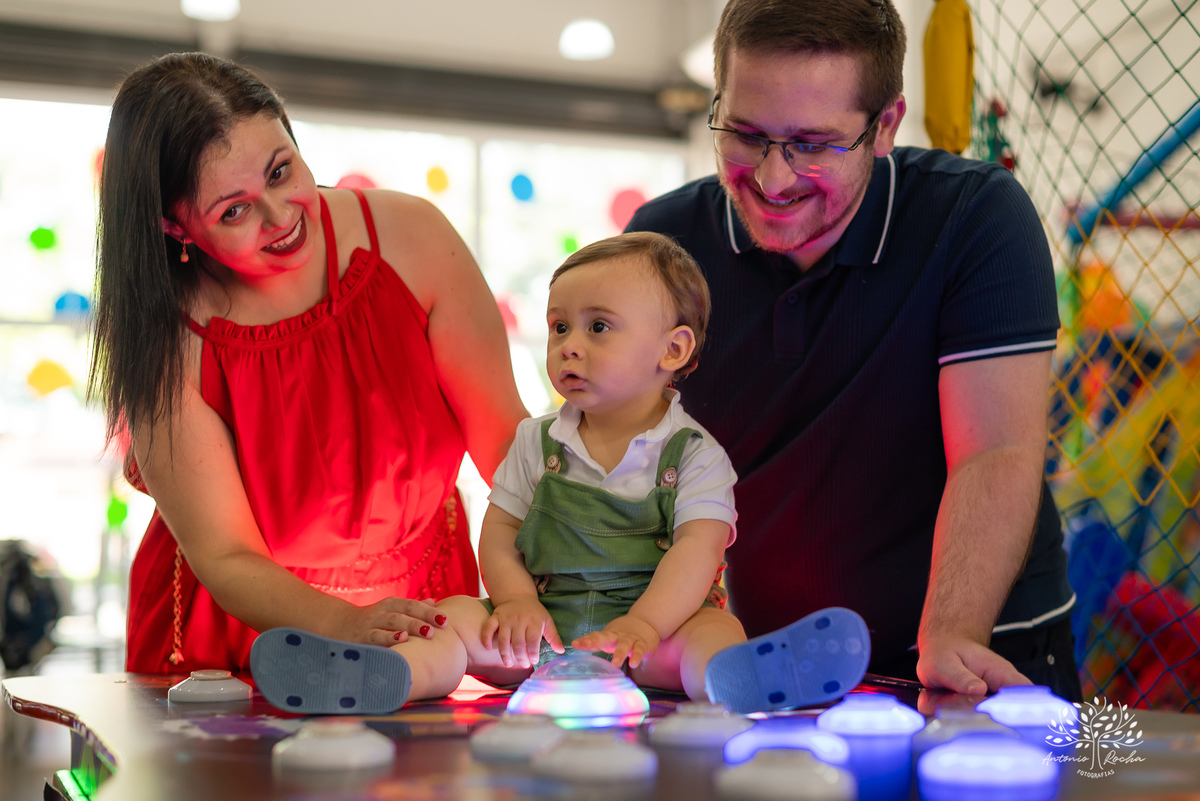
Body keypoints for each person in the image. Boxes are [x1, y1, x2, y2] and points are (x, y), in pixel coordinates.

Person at [625, 0, 1082, 701]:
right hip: (762, 661)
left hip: (972, 648)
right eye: (745, 134)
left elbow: (995, 449)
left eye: (812, 144)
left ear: (885, 127)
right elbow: (632, 464)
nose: (774, 178)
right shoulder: (663, 243)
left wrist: (951, 633)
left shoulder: (973, 217)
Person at [248, 232, 870, 714]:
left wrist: (644, 625)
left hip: (651, 640)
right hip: (545, 634)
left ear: (672, 351)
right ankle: (388, 676)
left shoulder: (696, 455)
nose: (569, 344)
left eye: (598, 327)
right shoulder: (533, 441)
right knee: (458, 618)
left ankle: (744, 680)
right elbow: (499, 533)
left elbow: (697, 554)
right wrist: (516, 603)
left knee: (715, 630)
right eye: (559, 327)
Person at [89, 52, 527, 674]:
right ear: (175, 227)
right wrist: (346, 626)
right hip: (243, 626)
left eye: (280, 170)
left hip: (421, 594)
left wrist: (595, 553)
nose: (282, 214)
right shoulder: (165, 334)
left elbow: (505, 440)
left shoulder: (414, 237)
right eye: (233, 211)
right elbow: (229, 557)